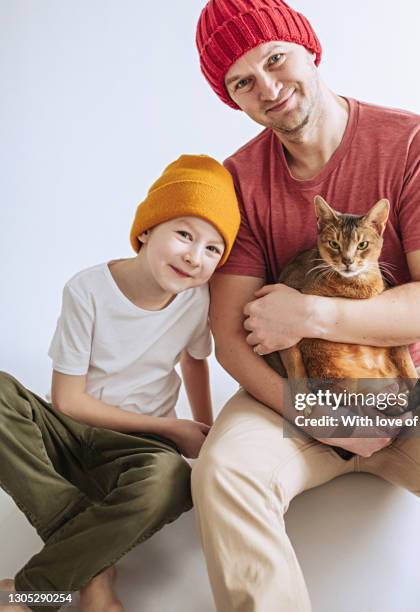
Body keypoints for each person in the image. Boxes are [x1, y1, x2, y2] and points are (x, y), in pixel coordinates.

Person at [192, 1, 420, 611]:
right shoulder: (238, 179)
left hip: (410, 378)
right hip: (294, 386)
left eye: (275, 59)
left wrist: (312, 314)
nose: (268, 88)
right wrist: (311, 412)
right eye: (243, 81)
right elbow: (230, 336)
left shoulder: (413, 141)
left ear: (309, 49)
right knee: (223, 472)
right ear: (232, 99)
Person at [0, 154, 240, 612]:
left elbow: (195, 362)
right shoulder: (87, 290)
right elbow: (68, 401)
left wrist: (202, 433)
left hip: (141, 448)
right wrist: (175, 427)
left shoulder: (195, 300)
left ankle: (32, 593)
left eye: (213, 249)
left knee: (170, 479)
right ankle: (93, 571)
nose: (195, 256)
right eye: (185, 234)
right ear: (147, 230)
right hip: (69, 431)